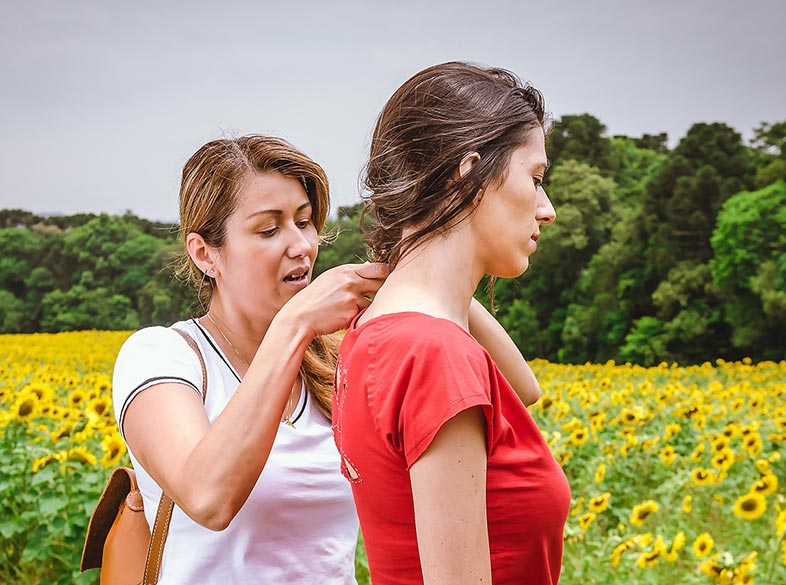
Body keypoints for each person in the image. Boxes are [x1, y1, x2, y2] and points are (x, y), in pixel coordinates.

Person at [111, 134, 539, 583]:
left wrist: (423, 267)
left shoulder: (340, 362)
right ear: (205, 255)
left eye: (306, 221)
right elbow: (208, 498)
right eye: (269, 229)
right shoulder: (163, 356)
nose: (301, 246)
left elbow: (519, 391)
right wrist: (295, 325)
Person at [333, 62, 571, 585]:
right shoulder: (434, 353)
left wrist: (437, 270)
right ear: (468, 174)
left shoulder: (374, 330)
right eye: (535, 179)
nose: (546, 209)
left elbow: (523, 390)